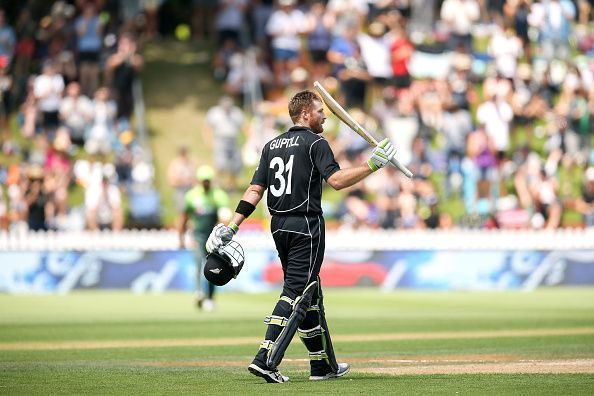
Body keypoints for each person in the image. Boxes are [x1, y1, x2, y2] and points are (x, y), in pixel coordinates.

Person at [205, 90, 396, 383]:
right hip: (306, 225)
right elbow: (336, 180)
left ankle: (322, 366)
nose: (324, 117)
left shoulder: (271, 145)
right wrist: (373, 164)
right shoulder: (316, 142)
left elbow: (256, 189)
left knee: (311, 292)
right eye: (321, 111)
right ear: (305, 113)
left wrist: (233, 224)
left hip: (279, 226)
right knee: (297, 291)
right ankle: (265, 359)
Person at [179, 165, 230, 311]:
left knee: (212, 267)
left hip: (213, 238)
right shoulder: (192, 195)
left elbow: (224, 217)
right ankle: (198, 292)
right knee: (197, 263)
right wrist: (181, 237)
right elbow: (184, 217)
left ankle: (210, 297)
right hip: (198, 236)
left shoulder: (219, 195)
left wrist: (221, 233)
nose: (206, 183)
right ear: (199, 181)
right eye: (203, 180)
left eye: (208, 180)